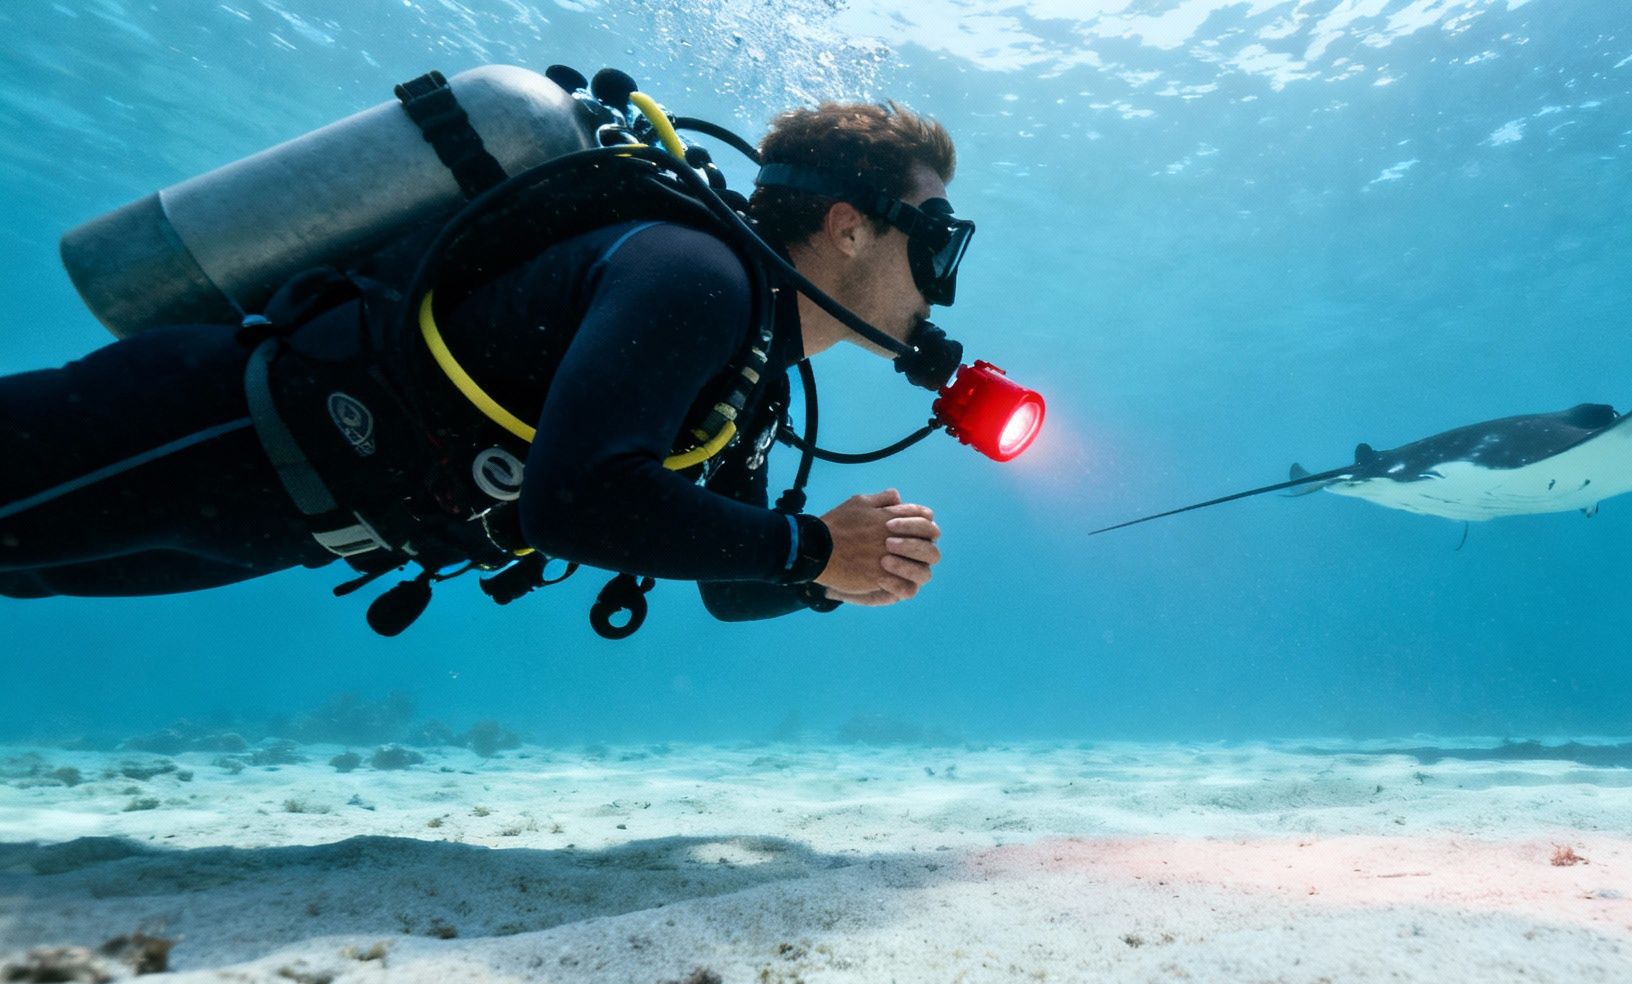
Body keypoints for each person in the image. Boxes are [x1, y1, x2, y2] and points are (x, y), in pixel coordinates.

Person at [0, 93, 970, 627]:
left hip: (286, 521)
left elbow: (723, 583)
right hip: (220, 426)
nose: (941, 276)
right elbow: (576, 501)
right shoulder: (694, 277)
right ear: (847, 227)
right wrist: (810, 549)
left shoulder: (753, 375)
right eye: (936, 238)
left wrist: (829, 575)